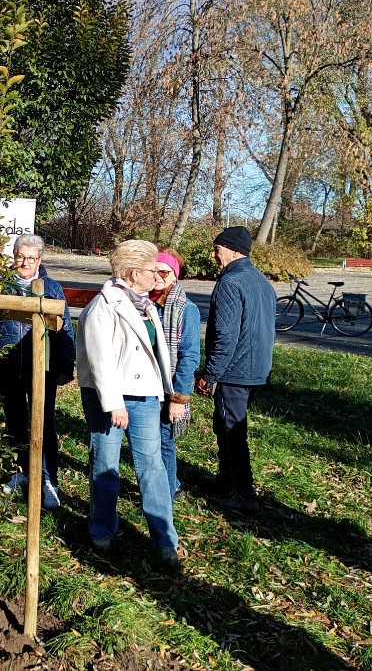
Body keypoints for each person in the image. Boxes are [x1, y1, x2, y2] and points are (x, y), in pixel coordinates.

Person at [75, 239, 179, 564]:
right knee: (105, 466)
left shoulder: (146, 305)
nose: (157, 275)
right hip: (110, 401)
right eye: (152, 270)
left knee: (153, 468)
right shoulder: (102, 307)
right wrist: (114, 403)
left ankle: (165, 541)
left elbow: (155, 356)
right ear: (134, 273)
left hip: (145, 397)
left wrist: (166, 392)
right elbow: (99, 360)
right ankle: (102, 532)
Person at [196, 226, 276, 516]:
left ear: (232, 250)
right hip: (255, 369)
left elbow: (225, 335)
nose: (214, 255)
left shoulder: (231, 283)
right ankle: (226, 480)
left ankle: (245, 494)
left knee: (232, 430)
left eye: (217, 249)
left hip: (235, 371)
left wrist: (210, 373)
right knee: (226, 424)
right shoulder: (261, 282)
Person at [0, 233, 75, 510]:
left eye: (31, 258)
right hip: (8, 365)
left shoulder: (51, 287)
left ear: (40, 259)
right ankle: (21, 471)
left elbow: (65, 328)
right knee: (15, 419)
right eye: (20, 257)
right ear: (13, 257)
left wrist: (66, 365)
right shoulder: (2, 286)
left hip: (42, 366)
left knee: (44, 422)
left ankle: (48, 477)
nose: (25, 262)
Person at [149, 248, 201, 502]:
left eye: (165, 272)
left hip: (168, 387)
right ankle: (169, 484)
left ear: (175, 275)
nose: (158, 276)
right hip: (145, 384)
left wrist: (179, 399)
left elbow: (189, 356)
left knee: (164, 443)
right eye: (154, 270)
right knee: (151, 443)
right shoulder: (144, 302)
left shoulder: (186, 309)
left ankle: (168, 492)